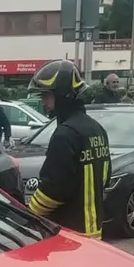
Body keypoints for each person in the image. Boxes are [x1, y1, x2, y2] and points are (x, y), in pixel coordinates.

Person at [25, 59, 111, 239]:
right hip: (94, 233)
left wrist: (28, 214)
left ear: (62, 95)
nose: (43, 102)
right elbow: (105, 178)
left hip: (69, 235)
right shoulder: (96, 129)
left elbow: (53, 190)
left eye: (46, 96)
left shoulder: (64, 134)